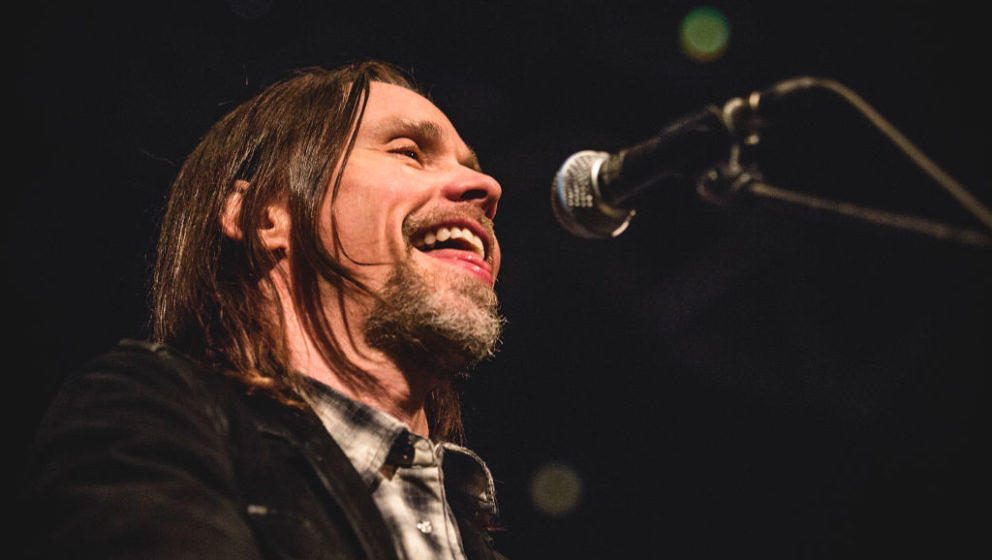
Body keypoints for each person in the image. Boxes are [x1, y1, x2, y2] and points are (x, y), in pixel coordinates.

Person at [22, 60, 509, 560]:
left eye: (470, 166)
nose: (487, 187)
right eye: (409, 152)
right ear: (264, 216)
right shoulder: (150, 420)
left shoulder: (471, 532)